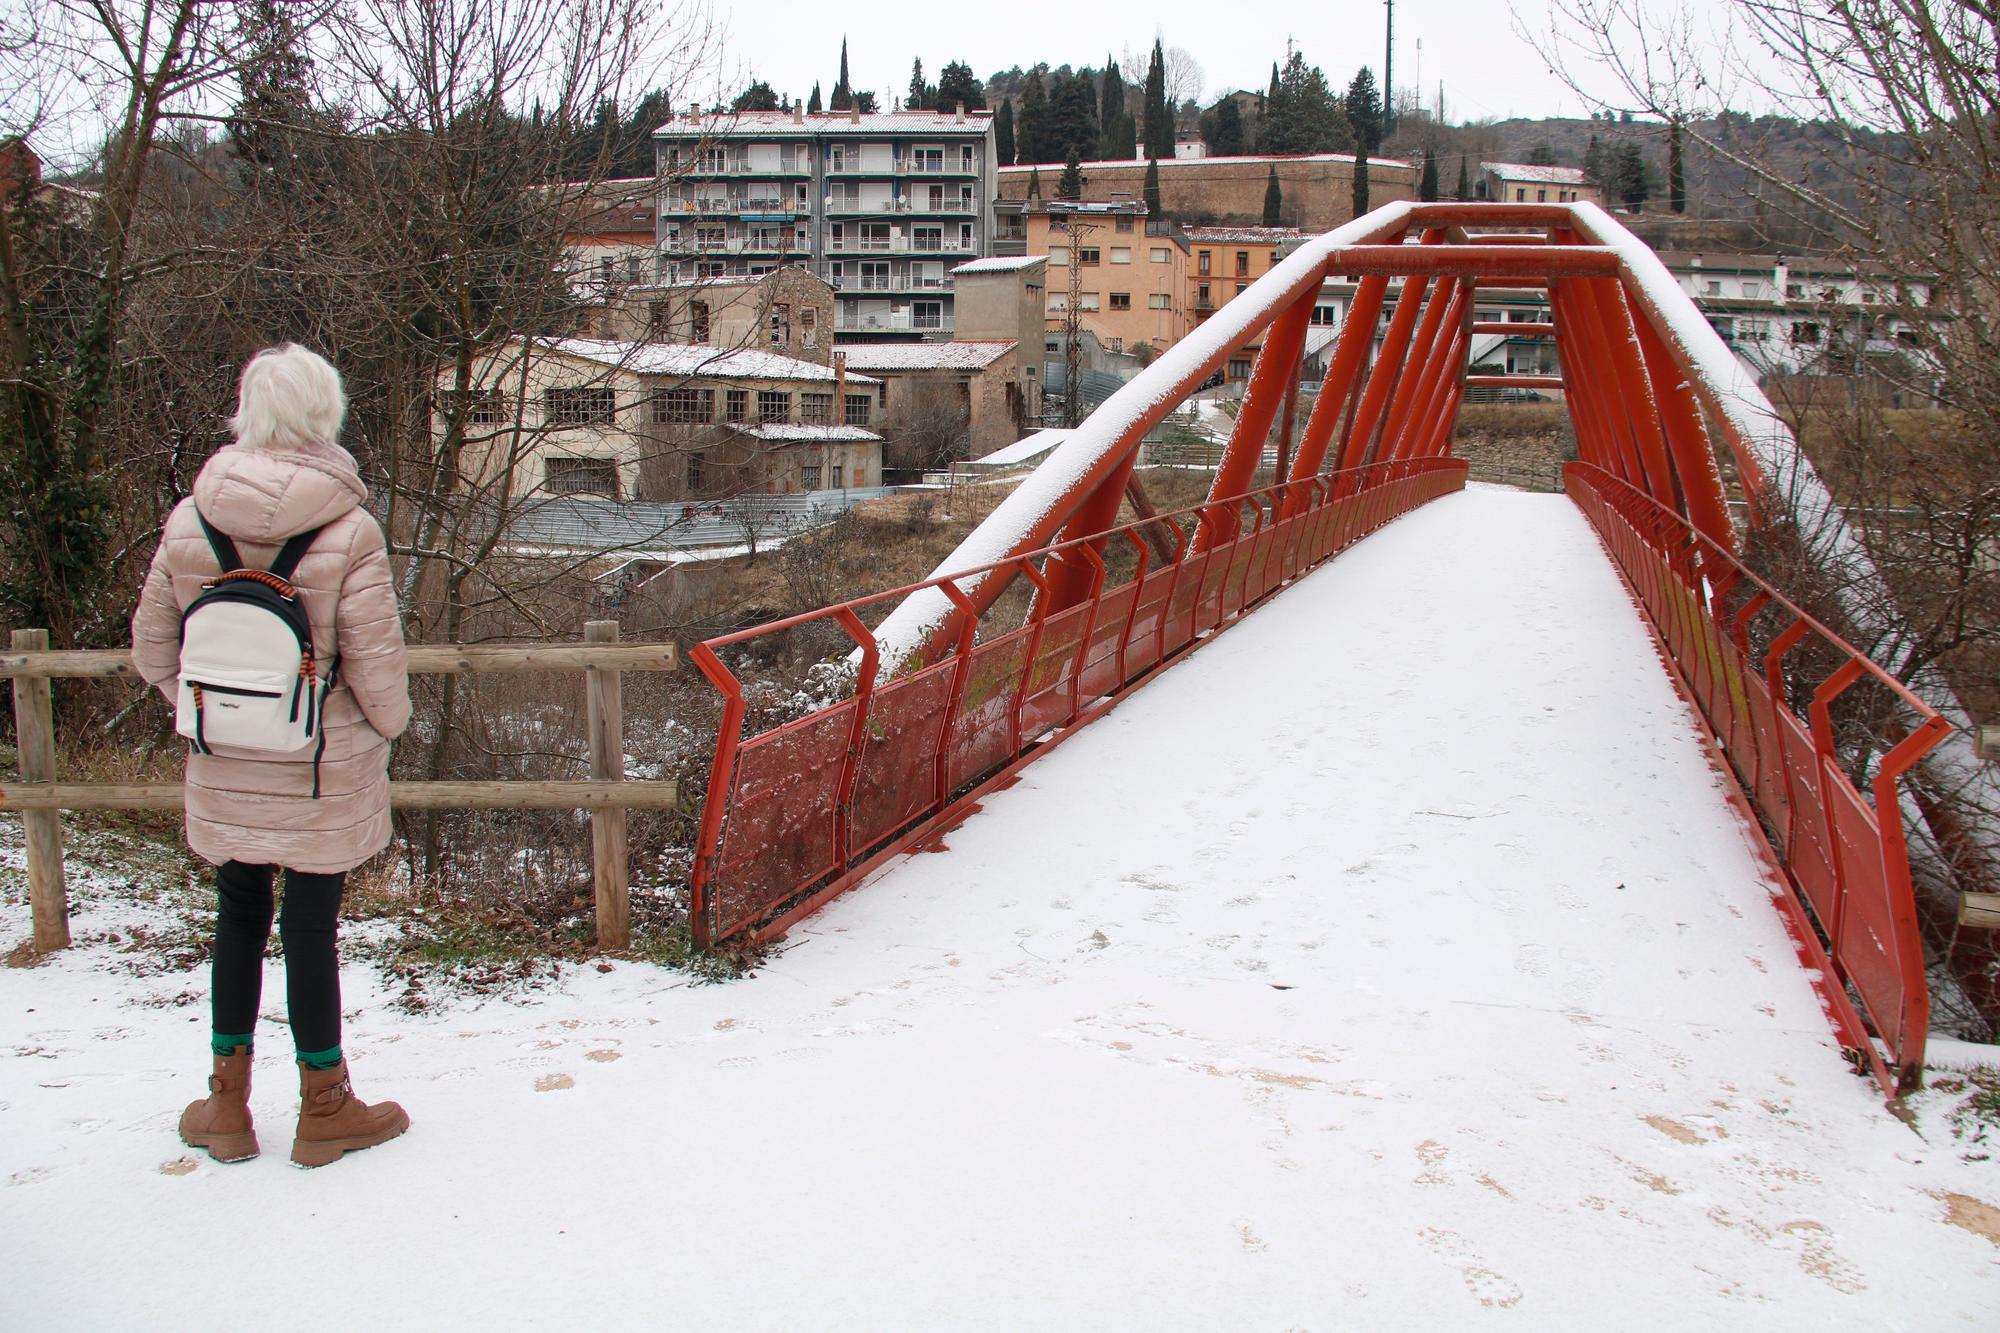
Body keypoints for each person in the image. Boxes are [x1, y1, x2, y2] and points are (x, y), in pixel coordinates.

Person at [132, 345, 413, 1168]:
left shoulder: (191, 520)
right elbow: (376, 665)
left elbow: (154, 651)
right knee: (311, 925)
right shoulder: (349, 527)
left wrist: (214, 718)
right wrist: (383, 728)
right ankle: (324, 1104)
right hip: (319, 761)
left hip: (225, 757)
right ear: (325, 415)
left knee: (238, 912)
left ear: (247, 413)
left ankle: (225, 1105)